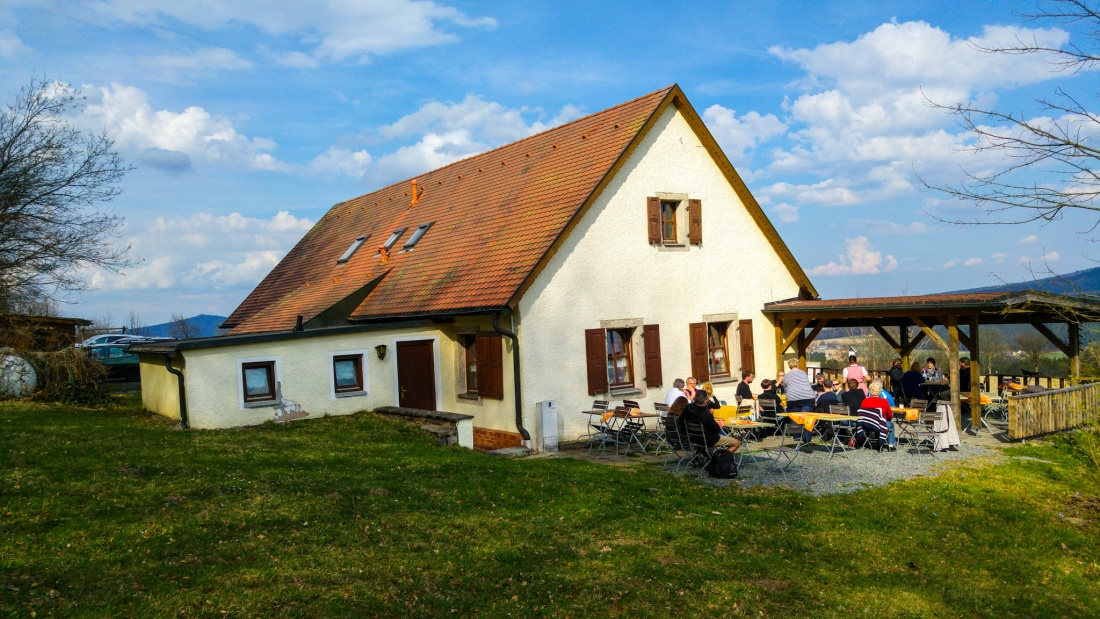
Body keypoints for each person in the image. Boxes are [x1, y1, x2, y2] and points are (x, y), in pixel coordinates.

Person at [858, 381, 897, 450]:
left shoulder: (864, 401)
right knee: (891, 424)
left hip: (867, 424)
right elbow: (890, 415)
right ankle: (891, 444)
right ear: (879, 391)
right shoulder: (883, 401)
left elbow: (862, 413)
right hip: (879, 425)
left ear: (870, 390)